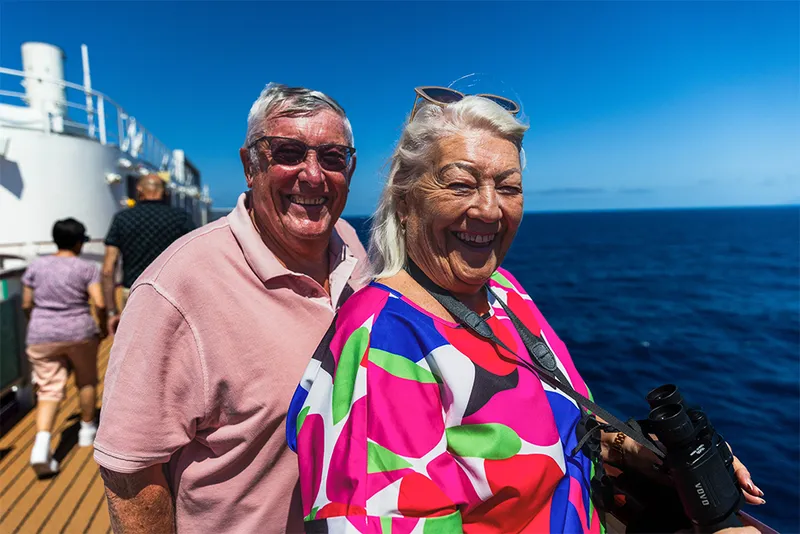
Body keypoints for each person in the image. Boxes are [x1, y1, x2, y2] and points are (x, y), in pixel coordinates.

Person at [286, 91, 765, 532]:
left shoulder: (502, 292)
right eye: (460, 183)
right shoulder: (380, 340)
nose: (490, 210)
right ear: (406, 200)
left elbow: (558, 415)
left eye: (508, 187)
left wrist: (643, 451)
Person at [94, 83, 368, 534]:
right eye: (289, 152)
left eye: (333, 157)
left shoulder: (354, 251)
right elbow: (131, 471)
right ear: (249, 166)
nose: (314, 175)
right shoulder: (176, 290)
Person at [22, 218, 107, 476]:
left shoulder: (36, 266)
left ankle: (41, 446)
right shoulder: (86, 267)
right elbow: (100, 303)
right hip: (79, 331)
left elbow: (27, 303)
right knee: (87, 380)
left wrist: (39, 324)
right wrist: (101, 328)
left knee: (48, 390)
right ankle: (86, 429)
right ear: (80, 242)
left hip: (41, 333)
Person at [101, 173, 195, 333]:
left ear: (139, 190)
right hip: (171, 292)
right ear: (165, 193)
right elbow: (194, 259)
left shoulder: (122, 219)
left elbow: (108, 269)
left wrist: (111, 311)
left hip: (133, 291)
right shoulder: (181, 218)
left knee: (135, 346)